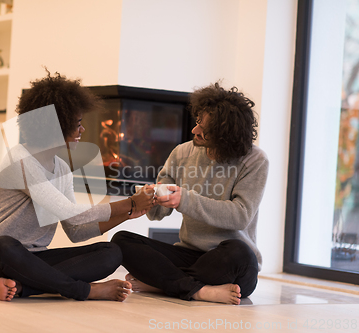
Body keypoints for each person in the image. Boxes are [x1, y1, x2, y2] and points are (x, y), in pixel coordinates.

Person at [0, 71, 154, 302]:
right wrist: (128, 202)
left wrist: (129, 212)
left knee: (110, 252)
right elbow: (68, 212)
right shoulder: (19, 159)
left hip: (33, 262)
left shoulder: (62, 168)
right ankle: (85, 291)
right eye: (76, 124)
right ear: (54, 127)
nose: (82, 130)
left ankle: (25, 287)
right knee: (4, 245)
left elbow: (75, 231)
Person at [111, 82, 269, 305]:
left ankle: (161, 283)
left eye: (205, 129)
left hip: (228, 260)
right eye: (197, 122)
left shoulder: (255, 160)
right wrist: (152, 198)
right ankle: (198, 290)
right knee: (121, 241)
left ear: (225, 135)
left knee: (240, 253)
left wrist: (184, 199)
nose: (195, 130)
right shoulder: (182, 152)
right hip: (190, 255)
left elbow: (240, 216)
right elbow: (157, 214)